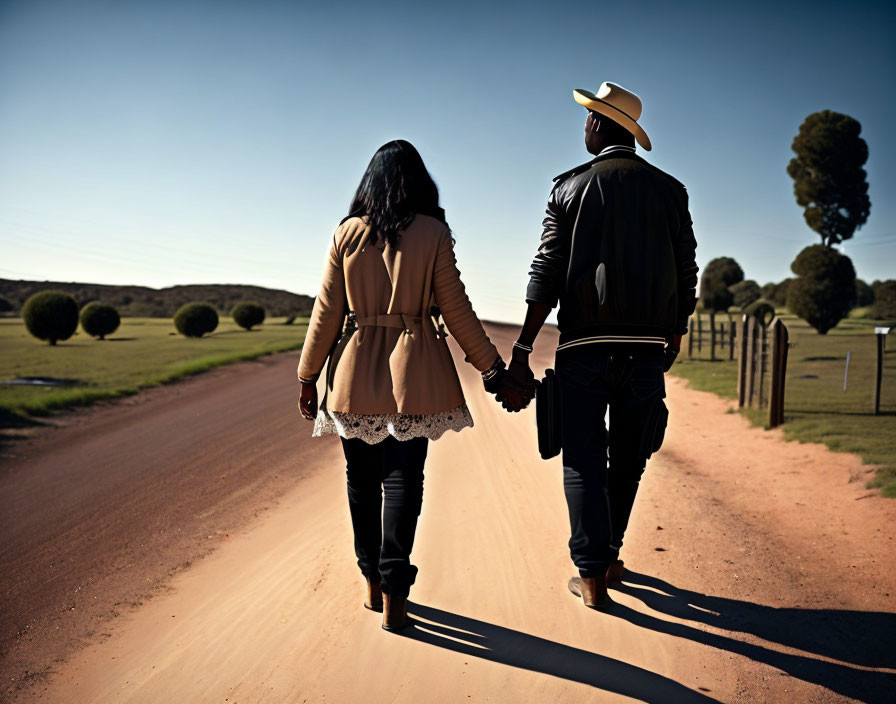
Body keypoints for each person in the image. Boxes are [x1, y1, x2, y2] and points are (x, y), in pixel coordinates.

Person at [297, 140, 531, 631]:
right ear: (420, 183)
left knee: (360, 482)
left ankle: (371, 583)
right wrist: (493, 371)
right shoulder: (434, 233)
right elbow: (457, 308)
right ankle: (396, 592)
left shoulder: (346, 234)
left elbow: (325, 314)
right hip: (415, 371)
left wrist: (307, 376)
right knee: (404, 479)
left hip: (353, 372)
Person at [507, 82, 699, 609]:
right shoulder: (671, 190)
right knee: (630, 457)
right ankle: (610, 555)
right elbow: (687, 272)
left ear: (597, 126)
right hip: (644, 350)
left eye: (588, 118)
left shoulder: (567, 188)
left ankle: (590, 575)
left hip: (583, 349)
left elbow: (545, 271)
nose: (584, 126)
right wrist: (675, 330)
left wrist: (523, 347)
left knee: (583, 460)